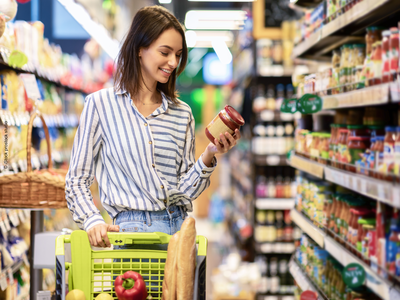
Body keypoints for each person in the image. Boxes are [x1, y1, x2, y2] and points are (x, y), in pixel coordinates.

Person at [65, 5, 241, 248]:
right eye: (165, 52)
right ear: (140, 49)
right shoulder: (100, 105)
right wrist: (92, 219)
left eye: (178, 55)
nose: (173, 62)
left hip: (179, 234)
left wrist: (210, 154)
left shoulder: (182, 114)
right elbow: (76, 180)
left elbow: (185, 192)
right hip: (129, 236)